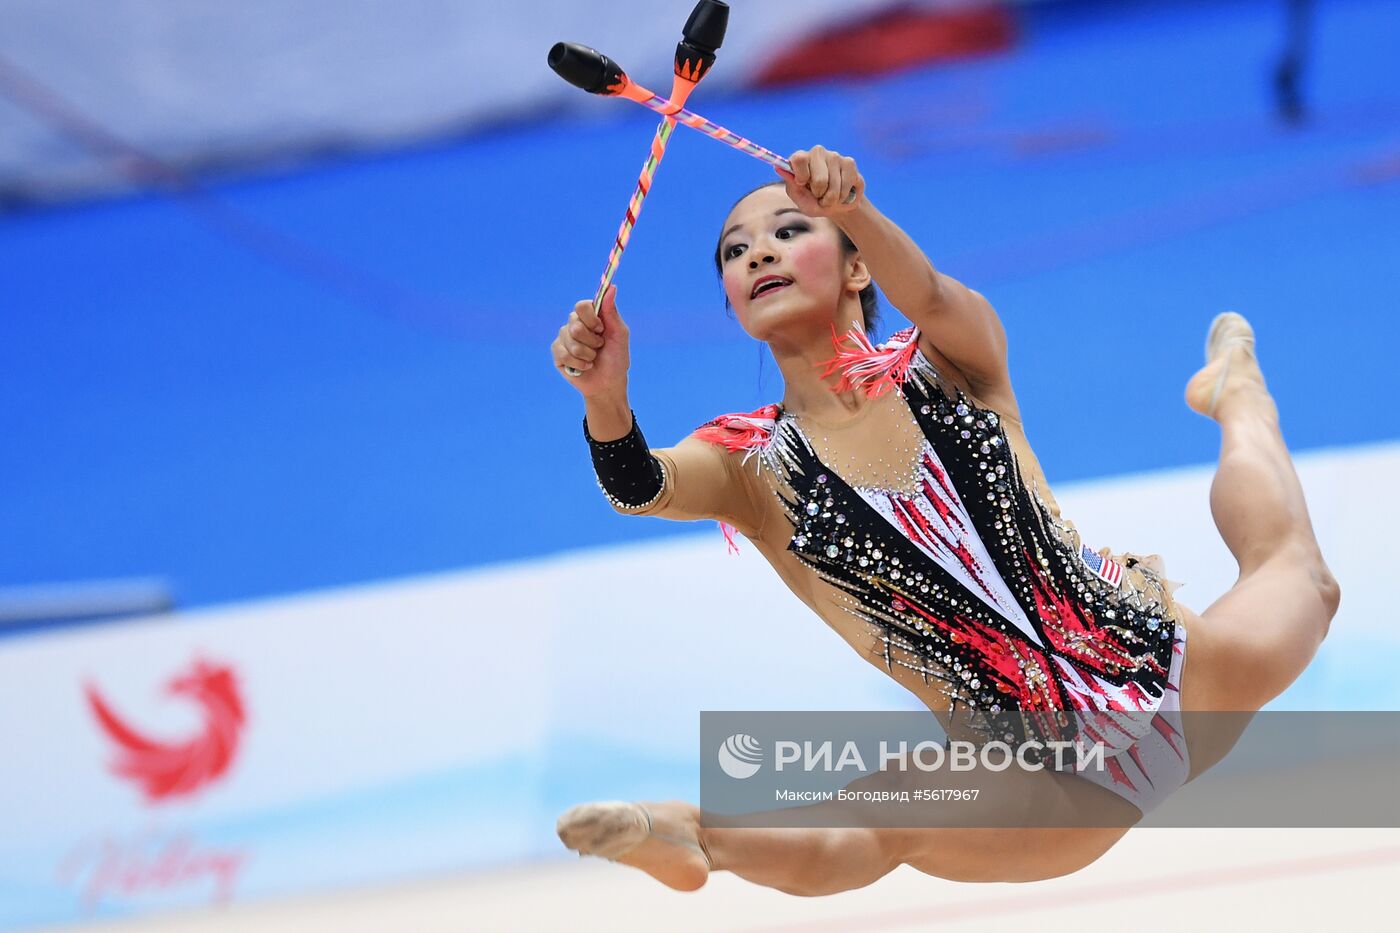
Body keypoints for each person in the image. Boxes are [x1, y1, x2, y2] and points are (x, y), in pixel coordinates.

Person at [548, 146, 1340, 894]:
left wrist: (855, 205)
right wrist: (605, 398)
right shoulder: (748, 462)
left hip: (1179, 671)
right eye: (735, 250)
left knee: (1302, 577)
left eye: (790, 231)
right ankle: (697, 838)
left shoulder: (953, 359)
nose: (758, 254)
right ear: (727, 296)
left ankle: (1238, 397)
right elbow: (639, 483)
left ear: (857, 263)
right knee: (886, 817)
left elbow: (924, 292)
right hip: (1038, 778)